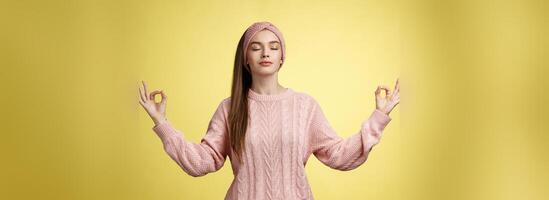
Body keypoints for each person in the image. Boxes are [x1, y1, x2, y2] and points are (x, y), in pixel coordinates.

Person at [138, 21, 400, 200]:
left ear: (282, 57)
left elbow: (340, 155)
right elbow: (202, 162)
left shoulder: (304, 106)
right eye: (256, 46)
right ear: (245, 58)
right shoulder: (230, 109)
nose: (266, 52)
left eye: (274, 47)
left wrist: (378, 118)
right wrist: (163, 123)